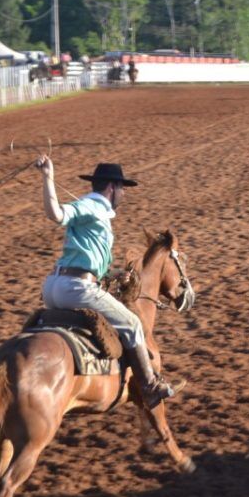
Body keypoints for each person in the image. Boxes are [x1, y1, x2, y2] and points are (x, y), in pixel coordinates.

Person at [35, 157, 181, 408]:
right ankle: (149, 386)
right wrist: (48, 177)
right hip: (76, 289)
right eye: (122, 188)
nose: (123, 194)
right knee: (133, 323)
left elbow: (86, 256)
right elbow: (57, 214)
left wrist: (111, 274)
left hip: (54, 287)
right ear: (112, 187)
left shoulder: (95, 210)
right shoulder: (93, 206)